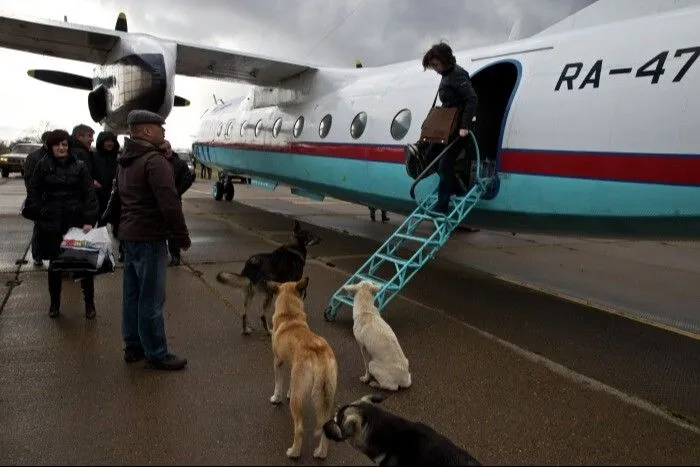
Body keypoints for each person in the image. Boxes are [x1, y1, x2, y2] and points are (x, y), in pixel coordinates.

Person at [117, 109, 191, 371]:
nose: (164, 132)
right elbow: (170, 204)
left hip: (131, 236)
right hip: (149, 238)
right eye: (161, 128)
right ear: (147, 131)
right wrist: (181, 237)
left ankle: (133, 346)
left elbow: (119, 200)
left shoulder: (125, 159)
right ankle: (157, 353)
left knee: (132, 296)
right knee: (151, 300)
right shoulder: (154, 160)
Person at [21, 129, 100, 319]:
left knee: (83, 265)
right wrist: (41, 212)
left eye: (64, 144)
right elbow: (34, 192)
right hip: (52, 223)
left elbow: (89, 195)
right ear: (50, 146)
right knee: (55, 266)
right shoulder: (42, 166)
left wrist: (89, 220)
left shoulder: (80, 166)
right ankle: (54, 304)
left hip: (76, 222)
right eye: (57, 144)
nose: (61, 147)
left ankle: (89, 305)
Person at [421, 41, 478, 215]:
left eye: (435, 64)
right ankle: (457, 190)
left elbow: (472, 99)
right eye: (432, 66)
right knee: (430, 155)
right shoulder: (446, 75)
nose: (435, 68)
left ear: (445, 60)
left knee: (445, 165)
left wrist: (464, 126)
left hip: (458, 130)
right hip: (446, 126)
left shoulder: (458, 75)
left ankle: (442, 206)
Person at [161, 140, 194, 266]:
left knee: (173, 229)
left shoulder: (179, 163)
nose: (168, 151)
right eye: (164, 149)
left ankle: (175, 255)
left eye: (169, 147)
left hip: (173, 201)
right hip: (158, 202)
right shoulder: (156, 163)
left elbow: (187, 179)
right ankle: (161, 255)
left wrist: (176, 192)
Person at [23, 131, 51, 267]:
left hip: (54, 198)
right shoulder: (33, 157)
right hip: (39, 199)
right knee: (39, 228)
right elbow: (29, 179)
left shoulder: (56, 155)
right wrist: (34, 197)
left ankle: (50, 254)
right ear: (44, 141)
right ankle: (37, 255)